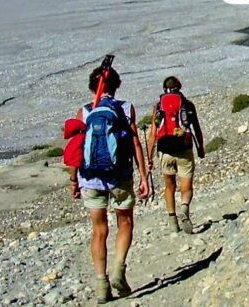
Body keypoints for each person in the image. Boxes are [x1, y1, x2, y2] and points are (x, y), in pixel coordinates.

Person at [67, 64, 150, 304]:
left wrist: (73, 180)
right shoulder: (125, 109)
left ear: (92, 86)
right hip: (120, 175)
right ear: (117, 85)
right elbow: (135, 144)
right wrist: (144, 176)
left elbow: (75, 149)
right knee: (125, 222)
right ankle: (119, 270)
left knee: (99, 230)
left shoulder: (83, 112)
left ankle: (102, 283)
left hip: (90, 177)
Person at [147, 76, 205, 235]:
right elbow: (196, 129)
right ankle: (184, 207)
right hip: (184, 149)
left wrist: (150, 157)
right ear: (179, 87)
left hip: (165, 151)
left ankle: (172, 221)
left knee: (169, 186)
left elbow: (153, 133)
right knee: (186, 187)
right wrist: (201, 148)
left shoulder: (159, 106)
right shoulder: (187, 104)